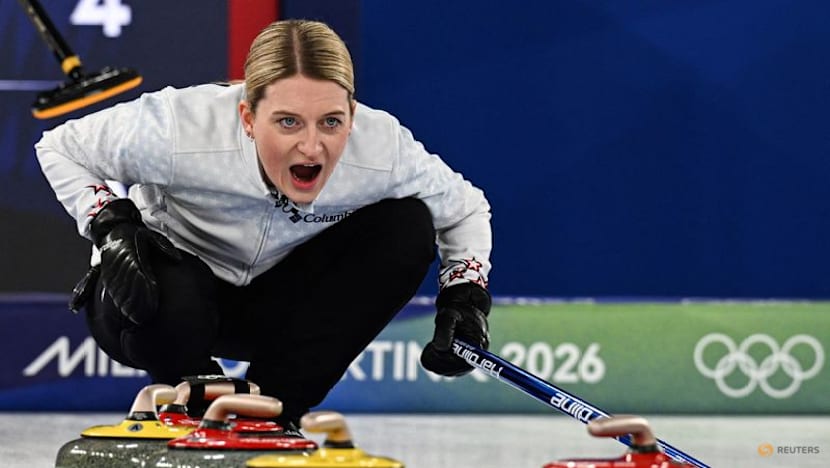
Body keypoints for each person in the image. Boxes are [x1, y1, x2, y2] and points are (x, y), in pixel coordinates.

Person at [35, 19, 492, 428]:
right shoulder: (178, 126)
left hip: (272, 311)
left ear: (353, 117)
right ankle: (193, 405)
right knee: (159, 268)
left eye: (331, 122)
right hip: (154, 305)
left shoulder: (382, 148)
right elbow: (59, 146)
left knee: (406, 225)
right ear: (248, 117)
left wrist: (464, 300)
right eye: (288, 122)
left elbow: (466, 208)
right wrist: (110, 225)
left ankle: (272, 412)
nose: (312, 147)